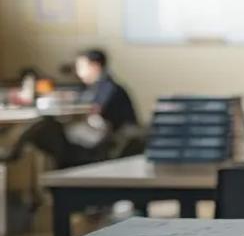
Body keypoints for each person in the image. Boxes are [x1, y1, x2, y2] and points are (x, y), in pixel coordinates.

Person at [1, 49, 140, 168]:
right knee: (45, 125)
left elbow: (93, 109)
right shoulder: (97, 86)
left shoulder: (108, 87)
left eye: (81, 66)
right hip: (100, 134)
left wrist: (68, 106)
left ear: (94, 66)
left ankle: (13, 152)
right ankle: (15, 152)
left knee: (46, 125)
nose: (78, 71)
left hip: (107, 140)